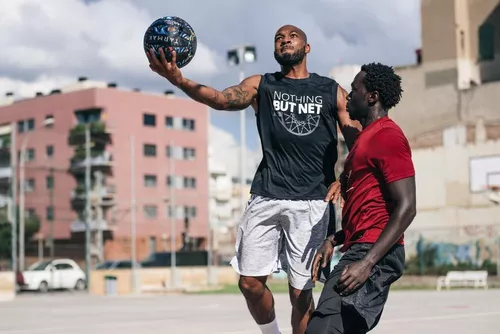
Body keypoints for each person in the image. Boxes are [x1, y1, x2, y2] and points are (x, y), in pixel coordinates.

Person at [147, 24, 359, 334]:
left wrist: (347, 176)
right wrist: (177, 79)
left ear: (307, 47)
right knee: (248, 283)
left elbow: (358, 139)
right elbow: (221, 99)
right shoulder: (262, 85)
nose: (285, 40)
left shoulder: (331, 90)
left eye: (292, 36)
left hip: (313, 201)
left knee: (301, 292)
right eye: (278, 38)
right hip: (267, 194)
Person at [307, 63, 417, 333]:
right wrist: (334, 239)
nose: (347, 96)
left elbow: (407, 206)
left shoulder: (387, 136)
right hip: (360, 247)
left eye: (353, 89)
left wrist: (368, 263)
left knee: (323, 328)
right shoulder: (363, 142)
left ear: (372, 97)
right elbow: (366, 213)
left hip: (372, 253)